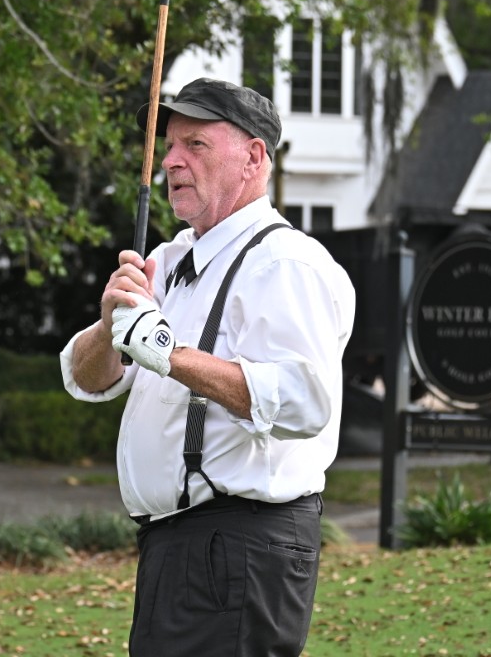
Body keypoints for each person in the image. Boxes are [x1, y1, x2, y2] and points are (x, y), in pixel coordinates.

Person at [60, 77, 356, 657]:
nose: (171, 160)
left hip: (241, 545)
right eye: (170, 145)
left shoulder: (286, 264)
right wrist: (109, 323)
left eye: (195, 144)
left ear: (253, 158)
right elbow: (86, 378)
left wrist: (168, 353)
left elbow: (303, 403)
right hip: (174, 545)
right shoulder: (171, 259)